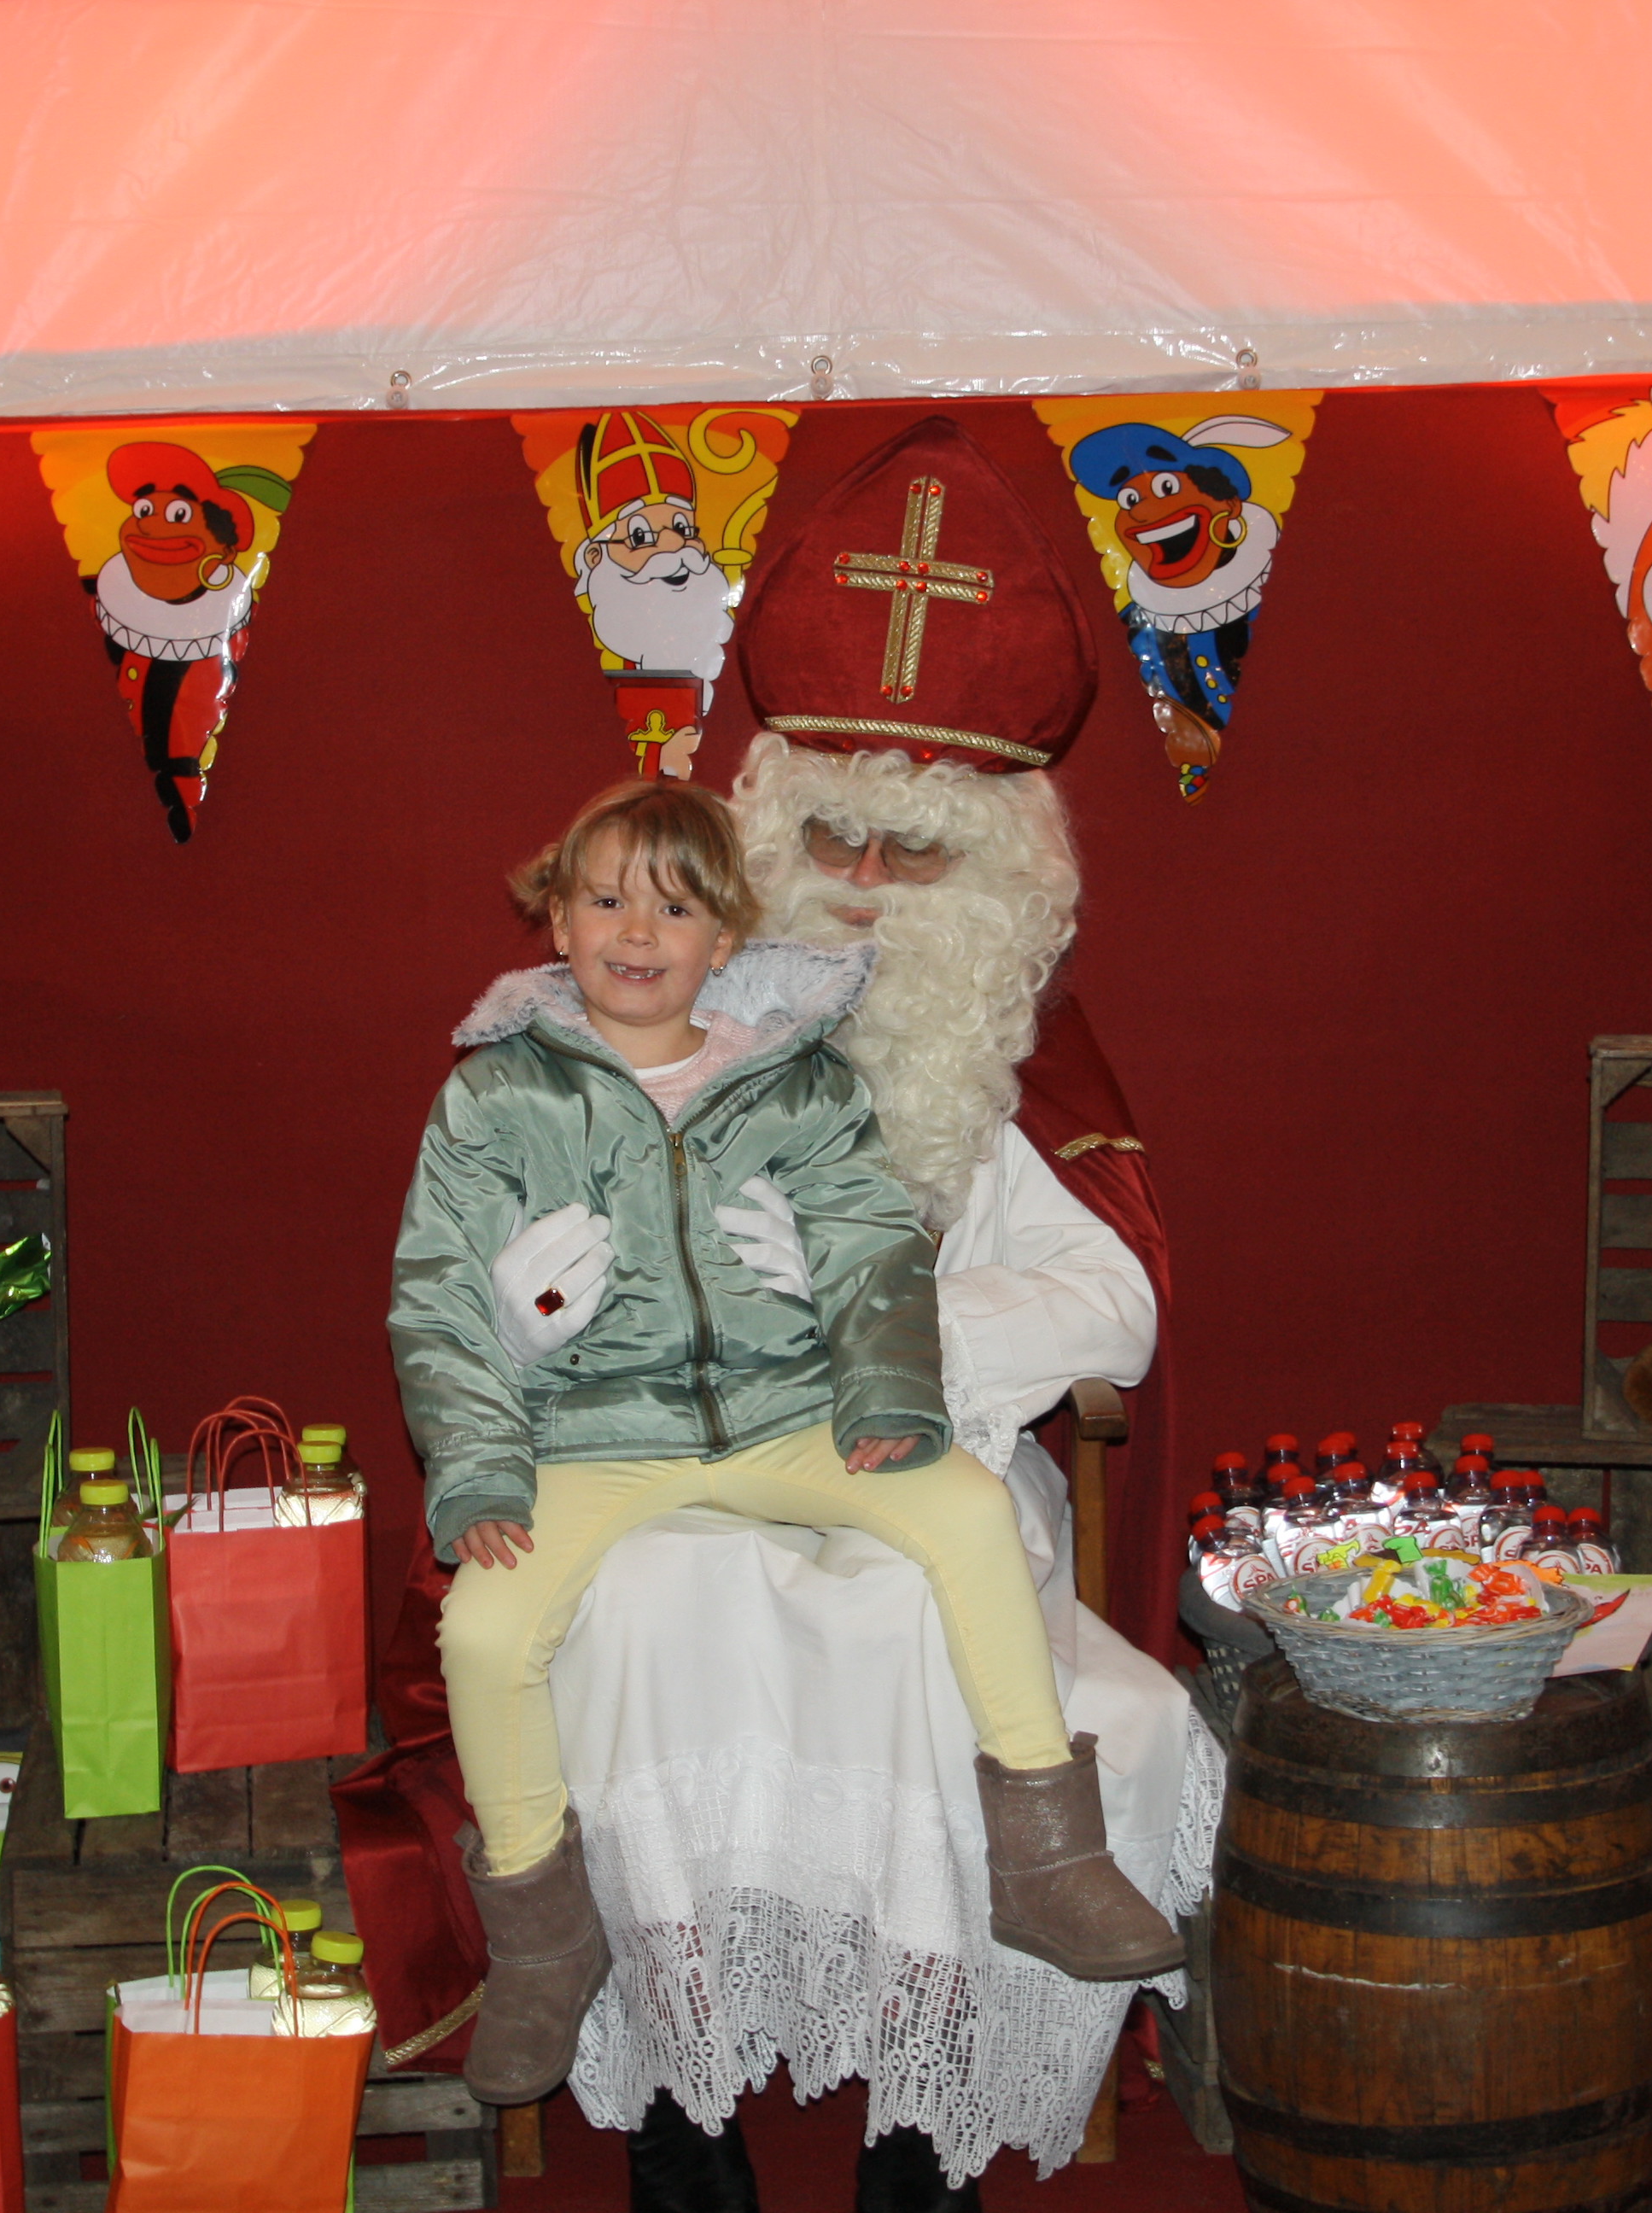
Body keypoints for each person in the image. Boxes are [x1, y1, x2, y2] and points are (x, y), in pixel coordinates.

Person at [522, 417, 1218, 2207]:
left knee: (920, 1609)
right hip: (695, 1473)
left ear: (1000, 872)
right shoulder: (663, 1035)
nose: (862, 882)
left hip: (926, 1482)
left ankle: (920, 2145)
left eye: (912, 851)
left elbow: (1117, 1306)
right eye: (829, 834)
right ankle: (681, 2126)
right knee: (634, 1605)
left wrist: (901, 1330)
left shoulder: (1013, 1063)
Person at [388, 775, 1184, 2109]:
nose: (636, 933)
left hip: (783, 1413)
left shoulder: (794, 1077)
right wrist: (480, 1463)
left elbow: (870, 1248)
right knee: (484, 1631)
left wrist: (886, 1395)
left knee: (967, 1513)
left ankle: (1047, 1857)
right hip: (599, 1438)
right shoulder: (497, 1095)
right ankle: (544, 1937)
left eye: (674, 909)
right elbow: (438, 1301)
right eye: (604, 901)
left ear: (725, 937)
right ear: (557, 923)